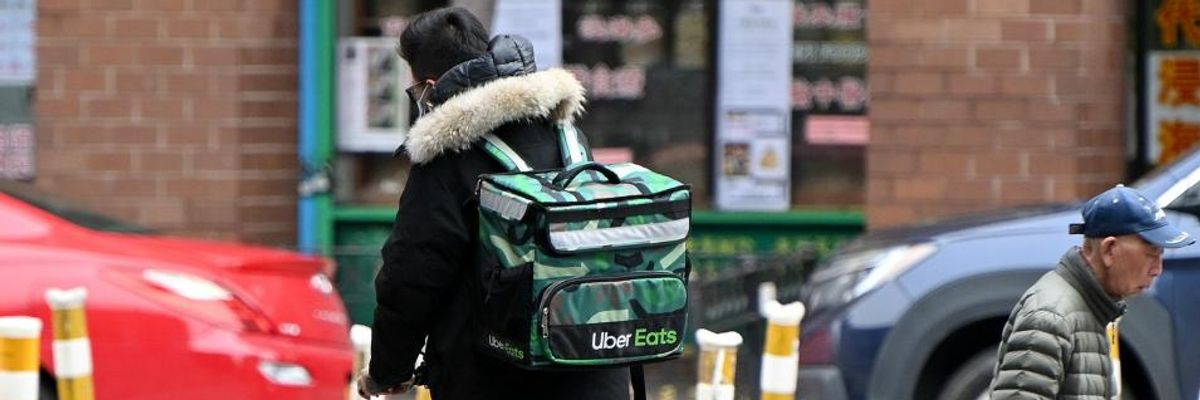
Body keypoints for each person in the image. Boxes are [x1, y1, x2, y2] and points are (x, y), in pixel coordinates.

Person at [356, 7, 630, 400]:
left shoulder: (446, 157)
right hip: (593, 371)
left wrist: (387, 371)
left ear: (431, 87)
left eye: (414, 89)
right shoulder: (567, 135)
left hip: (494, 379)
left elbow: (410, 277)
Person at [990, 185, 1195, 399]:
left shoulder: (1095, 308)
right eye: (1151, 254)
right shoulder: (1049, 317)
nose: (1157, 269)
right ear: (1109, 250)